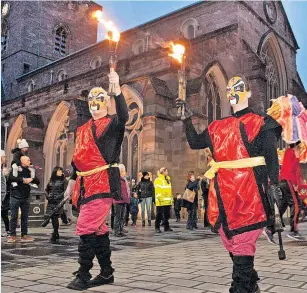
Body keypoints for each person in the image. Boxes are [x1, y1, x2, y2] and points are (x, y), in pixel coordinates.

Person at [177, 75, 282, 293]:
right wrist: (187, 120)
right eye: (230, 88)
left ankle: (241, 286)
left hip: (249, 193)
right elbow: (196, 142)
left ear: (249, 92)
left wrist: (274, 185)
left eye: (239, 87)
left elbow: (271, 157)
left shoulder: (260, 123)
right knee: (230, 240)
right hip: (223, 195)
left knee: (242, 243)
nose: (233, 91)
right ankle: (250, 282)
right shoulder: (218, 126)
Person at [64, 71, 128, 290]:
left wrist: (117, 89)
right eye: (91, 99)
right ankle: (106, 273)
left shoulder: (113, 124)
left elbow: (124, 116)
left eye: (99, 99)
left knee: (86, 226)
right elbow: (78, 159)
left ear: (106, 102)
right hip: (84, 184)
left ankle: (83, 275)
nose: (94, 103)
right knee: (98, 230)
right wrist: (71, 183)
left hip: (102, 182)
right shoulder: (81, 129)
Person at [264, 141, 305, 242]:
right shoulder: (291, 152)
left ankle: (270, 229)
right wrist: (295, 184)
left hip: (284, 182)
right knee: (296, 205)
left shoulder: (290, 153)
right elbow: (291, 171)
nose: (301, 150)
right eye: (300, 147)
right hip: (288, 182)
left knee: (283, 207)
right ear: (296, 146)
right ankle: (293, 231)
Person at [7, 156, 40, 243]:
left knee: (25, 217)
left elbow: (37, 181)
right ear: (22, 161)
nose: (30, 161)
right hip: (15, 196)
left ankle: (24, 234)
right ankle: (12, 235)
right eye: (28, 160)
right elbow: (10, 178)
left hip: (25, 196)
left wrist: (31, 179)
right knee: (14, 216)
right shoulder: (16, 169)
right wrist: (23, 180)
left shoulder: (30, 170)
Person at [44, 167, 66, 243]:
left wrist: (59, 197)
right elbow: (46, 189)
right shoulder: (51, 180)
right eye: (59, 170)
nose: (61, 172)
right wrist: (47, 196)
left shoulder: (64, 181)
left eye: (61, 171)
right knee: (52, 217)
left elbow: (65, 191)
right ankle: (55, 232)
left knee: (56, 216)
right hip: (51, 201)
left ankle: (55, 232)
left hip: (58, 201)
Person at [154, 167, 173, 234]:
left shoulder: (168, 179)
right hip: (161, 201)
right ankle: (157, 227)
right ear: (163, 172)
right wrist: (161, 199)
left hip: (167, 201)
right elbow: (157, 191)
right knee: (159, 215)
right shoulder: (158, 180)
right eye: (166, 171)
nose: (167, 172)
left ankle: (166, 227)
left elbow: (169, 190)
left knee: (167, 215)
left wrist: (171, 199)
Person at [113, 164, 130, 237]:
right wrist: (120, 196)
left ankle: (121, 229)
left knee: (122, 216)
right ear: (121, 171)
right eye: (124, 171)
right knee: (118, 216)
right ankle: (117, 231)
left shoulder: (124, 179)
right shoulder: (117, 179)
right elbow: (115, 190)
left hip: (124, 200)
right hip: (118, 200)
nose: (125, 172)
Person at [1, 150, 10, 237]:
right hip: (3, 195)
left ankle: (8, 230)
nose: (5, 159)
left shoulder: (3, 170)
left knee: (4, 213)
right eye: (4, 157)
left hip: (4, 196)